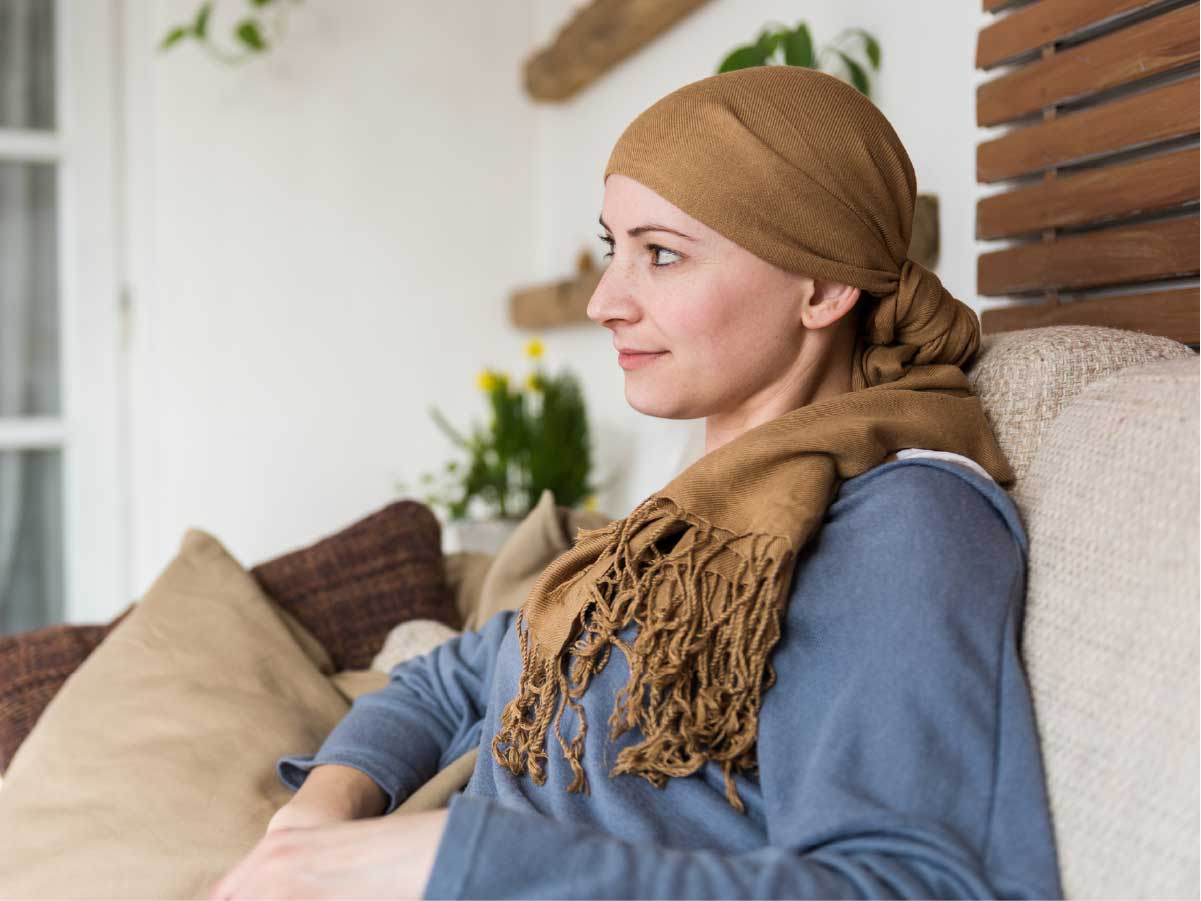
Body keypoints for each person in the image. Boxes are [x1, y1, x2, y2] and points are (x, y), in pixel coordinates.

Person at [208, 66, 1063, 900]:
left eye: (661, 254)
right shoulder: (708, 510)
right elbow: (460, 673)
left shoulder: (901, 528)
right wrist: (313, 820)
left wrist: (450, 859)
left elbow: (916, 882)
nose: (604, 301)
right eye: (612, 248)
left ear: (826, 286)